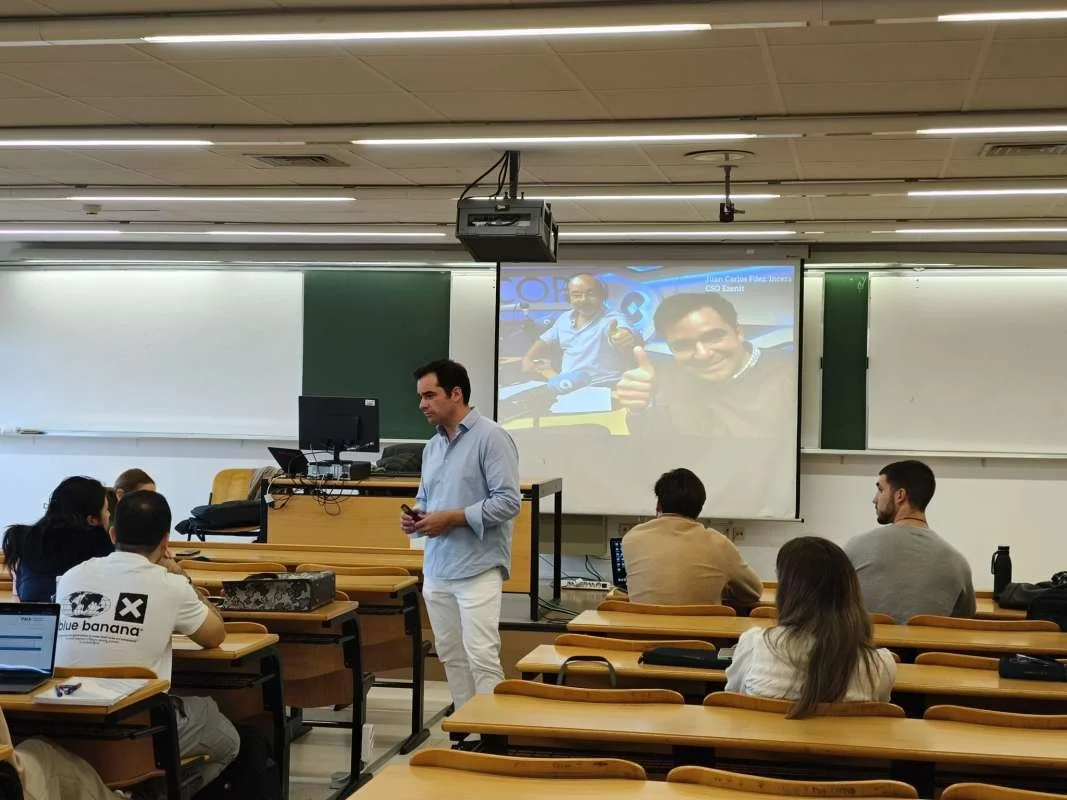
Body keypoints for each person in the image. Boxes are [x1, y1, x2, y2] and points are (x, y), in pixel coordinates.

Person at [54, 491, 239, 791]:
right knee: (228, 738)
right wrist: (181, 575)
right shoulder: (170, 585)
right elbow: (215, 635)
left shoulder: (70, 578)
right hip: (138, 734)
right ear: (166, 541)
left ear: (112, 533)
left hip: (67, 729)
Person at [401, 359, 520, 711]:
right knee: (451, 654)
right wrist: (416, 518)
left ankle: (494, 733)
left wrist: (451, 518)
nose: (422, 404)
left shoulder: (491, 438)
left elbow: (508, 502)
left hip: (478, 567)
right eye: (420, 396)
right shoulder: (432, 446)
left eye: (429, 395)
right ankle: (467, 727)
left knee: (481, 654)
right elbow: (425, 498)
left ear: (456, 394)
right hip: (437, 567)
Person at [725, 536, 896, 718]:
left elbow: (733, 700)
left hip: (763, 745)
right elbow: (876, 720)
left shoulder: (755, 644)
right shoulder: (880, 666)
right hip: (839, 745)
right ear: (850, 592)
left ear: (787, 591)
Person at [613, 292, 795, 438]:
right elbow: (659, 453)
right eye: (683, 345)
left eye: (714, 337)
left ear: (739, 332)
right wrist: (638, 410)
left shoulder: (791, 378)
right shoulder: (666, 382)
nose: (702, 354)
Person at [844, 460, 975, 624]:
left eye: (880, 489)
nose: (874, 499)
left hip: (867, 648)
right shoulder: (958, 563)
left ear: (900, 495)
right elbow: (964, 619)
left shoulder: (856, 548)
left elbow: (832, 605)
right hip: (929, 650)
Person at [622, 468, 762, 606]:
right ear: (699, 509)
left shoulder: (632, 538)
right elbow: (754, 591)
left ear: (658, 505)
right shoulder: (719, 544)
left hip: (644, 628)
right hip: (703, 628)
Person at [3, 476, 113, 602]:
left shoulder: (25, 541)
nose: (109, 514)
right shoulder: (102, 550)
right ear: (92, 520)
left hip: (32, 619)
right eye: (106, 510)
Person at [522, 273, 639, 387]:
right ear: (569, 298)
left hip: (604, 385)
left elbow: (623, 331)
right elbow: (544, 340)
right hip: (568, 385)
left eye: (590, 293)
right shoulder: (564, 319)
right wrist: (528, 357)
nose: (584, 300)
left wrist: (623, 336)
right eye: (576, 295)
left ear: (602, 296)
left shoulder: (613, 318)